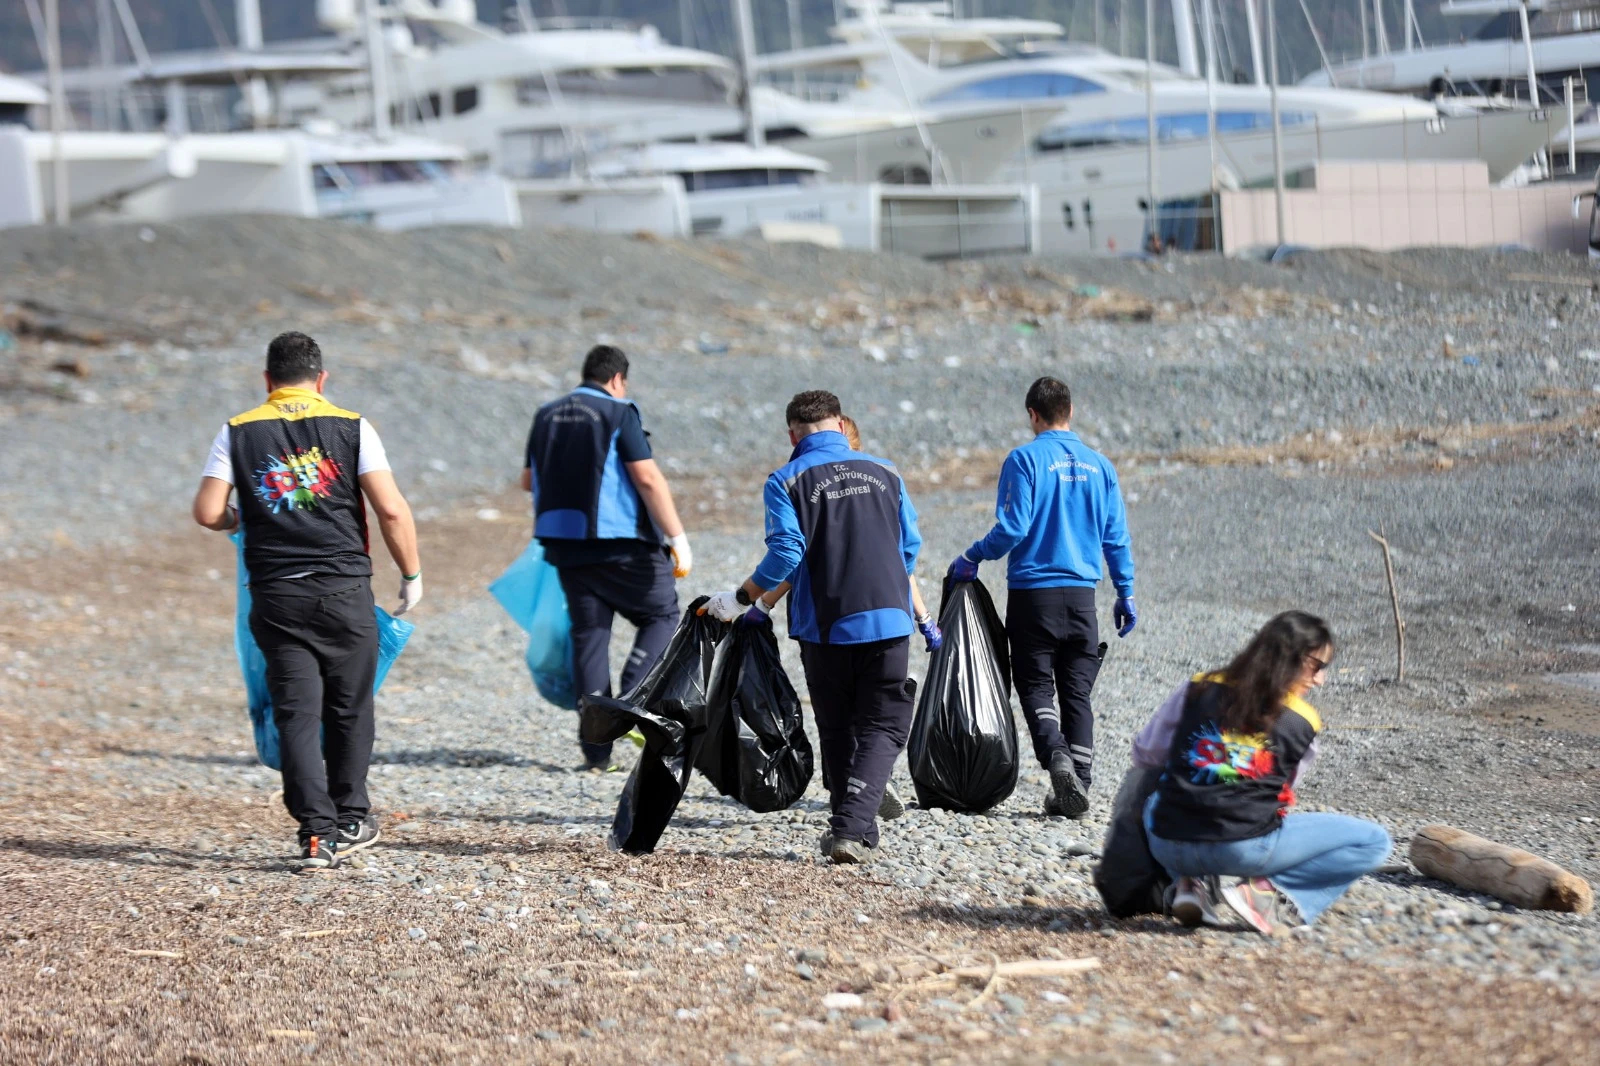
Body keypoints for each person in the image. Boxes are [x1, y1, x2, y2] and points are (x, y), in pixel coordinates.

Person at [192, 331, 422, 873]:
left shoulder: (238, 431)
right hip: (343, 591)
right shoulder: (352, 426)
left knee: (295, 713)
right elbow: (391, 510)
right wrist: (411, 574)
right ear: (321, 380)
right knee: (349, 706)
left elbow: (207, 512)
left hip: (276, 595)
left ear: (267, 381)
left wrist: (236, 519)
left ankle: (315, 835)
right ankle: (351, 818)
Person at [702, 390, 922, 863]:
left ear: (792, 434)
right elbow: (910, 547)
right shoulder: (887, 471)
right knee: (885, 722)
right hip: (887, 615)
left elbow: (786, 552)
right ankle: (852, 827)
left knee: (838, 725)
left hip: (825, 625)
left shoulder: (786, 479)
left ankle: (853, 825)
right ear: (841, 425)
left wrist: (743, 598)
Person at [1133, 611, 1392, 933]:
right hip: (1239, 851)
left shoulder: (1197, 688)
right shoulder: (1302, 720)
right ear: (1293, 658)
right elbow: (1282, 794)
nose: (1320, 679)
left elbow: (1146, 753)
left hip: (1168, 843)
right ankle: (1272, 895)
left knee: (1157, 796)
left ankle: (1189, 886)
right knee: (1375, 840)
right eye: (1319, 666)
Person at [948, 376, 1135, 819]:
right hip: (1082, 596)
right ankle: (1080, 784)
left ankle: (1056, 757)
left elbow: (1014, 527)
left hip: (1035, 594)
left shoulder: (1025, 459)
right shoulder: (1100, 466)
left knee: (1035, 685)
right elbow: (1116, 537)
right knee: (1077, 690)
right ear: (1071, 411)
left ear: (1033, 414)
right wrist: (1125, 591)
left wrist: (973, 556)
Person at [523, 345, 692, 770]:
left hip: (564, 545)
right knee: (661, 615)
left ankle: (597, 754)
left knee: (590, 636)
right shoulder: (620, 411)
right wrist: (677, 536)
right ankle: (632, 701)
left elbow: (528, 480)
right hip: (622, 544)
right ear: (618, 379)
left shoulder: (546, 414)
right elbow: (647, 477)